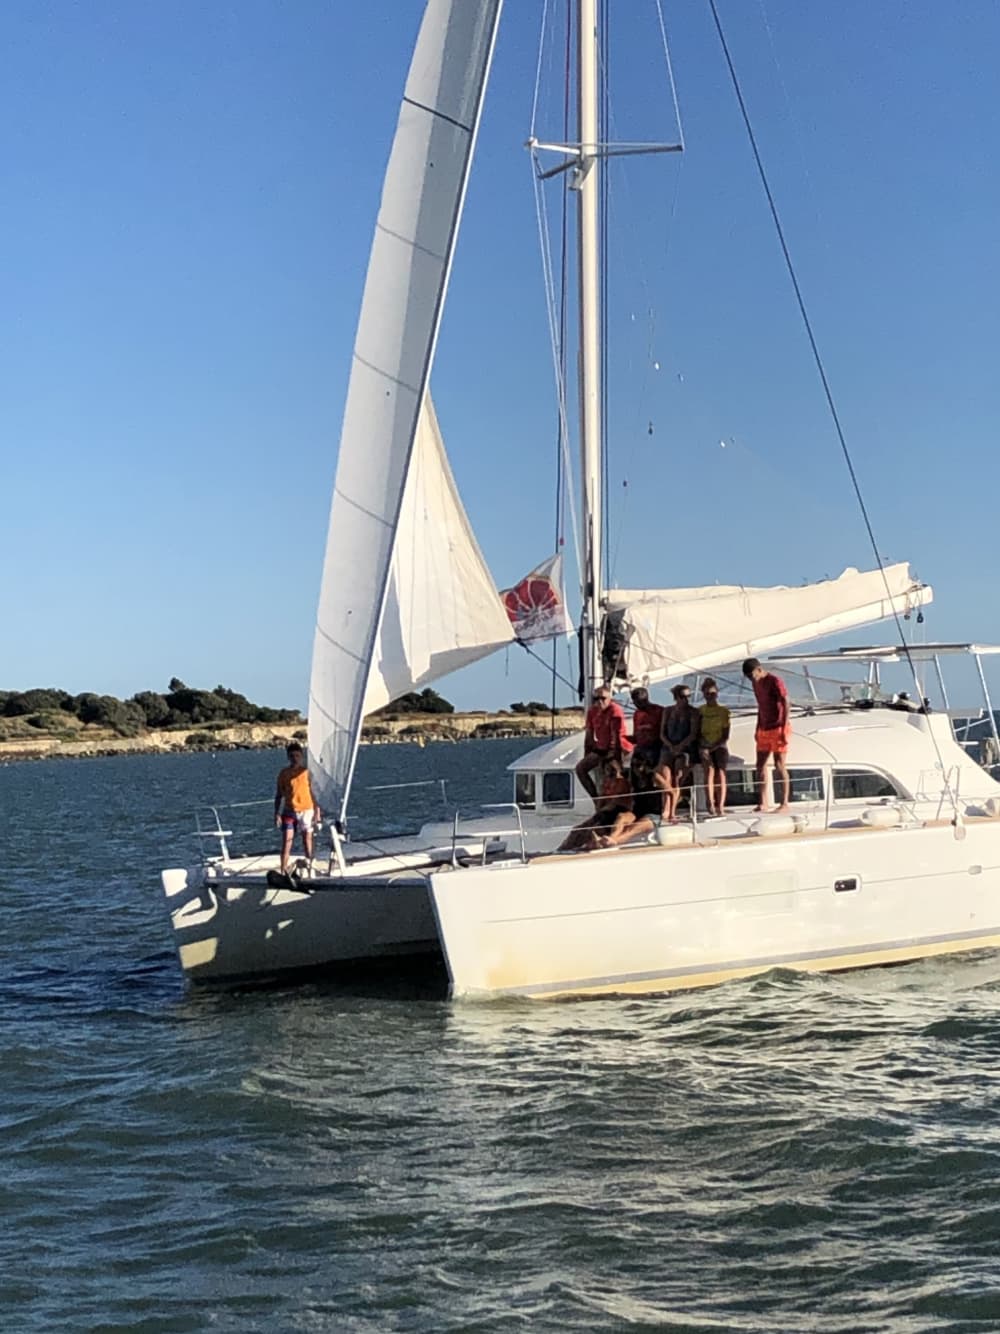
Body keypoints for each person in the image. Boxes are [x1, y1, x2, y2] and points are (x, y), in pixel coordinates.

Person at [742, 658, 790, 811]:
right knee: (760, 764)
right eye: (748, 677)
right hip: (764, 726)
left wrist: (784, 725)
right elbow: (760, 706)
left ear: (759, 669)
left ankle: (784, 803)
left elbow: (786, 702)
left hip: (778, 726)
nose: (750, 678)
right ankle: (763, 802)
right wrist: (757, 727)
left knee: (779, 764)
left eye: (751, 675)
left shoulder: (774, 681)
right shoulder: (755, 683)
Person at [576, 687, 633, 808]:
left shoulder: (614, 710)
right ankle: (596, 800)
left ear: (610, 698)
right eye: (596, 698)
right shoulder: (592, 711)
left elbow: (615, 737)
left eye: (603, 698)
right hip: (601, 747)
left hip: (618, 747)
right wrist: (588, 753)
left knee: (611, 772)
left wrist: (612, 757)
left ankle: (617, 802)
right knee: (580, 768)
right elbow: (589, 735)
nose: (599, 701)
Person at [558, 757, 632, 851]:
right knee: (577, 830)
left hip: (618, 811)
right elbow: (601, 803)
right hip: (606, 812)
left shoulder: (621, 782)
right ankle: (562, 850)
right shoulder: (606, 782)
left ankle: (587, 845)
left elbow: (621, 800)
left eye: (610, 770)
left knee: (594, 829)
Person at [274, 742, 321, 873]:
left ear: (302, 756)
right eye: (292, 756)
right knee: (287, 841)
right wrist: (277, 813)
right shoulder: (284, 773)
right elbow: (279, 795)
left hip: (307, 810)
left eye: (297, 755)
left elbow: (315, 793)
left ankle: (310, 866)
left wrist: (317, 812)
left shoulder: (307, 772)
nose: (295, 758)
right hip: (289, 811)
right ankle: (283, 870)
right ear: (288, 757)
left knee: (307, 840)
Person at [657, 683, 699, 821]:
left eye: (688, 697)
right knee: (664, 777)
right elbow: (662, 733)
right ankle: (665, 809)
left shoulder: (693, 712)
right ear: (676, 697)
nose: (686, 700)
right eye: (683, 697)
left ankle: (672, 812)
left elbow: (693, 734)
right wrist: (670, 745)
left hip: (685, 749)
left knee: (677, 779)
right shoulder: (668, 711)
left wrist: (680, 746)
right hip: (668, 747)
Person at [698, 677, 731, 816]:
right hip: (705, 744)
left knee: (721, 773)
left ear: (717, 694)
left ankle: (721, 805)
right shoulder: (700, 711)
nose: (710, 696)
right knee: (709, 772)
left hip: (719, 745)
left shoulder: (724, 712)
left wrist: (714, 746)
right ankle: (710, 802)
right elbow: (696, 730)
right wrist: (704, 746)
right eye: (707, 694)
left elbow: (725, 734)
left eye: (712, 693)